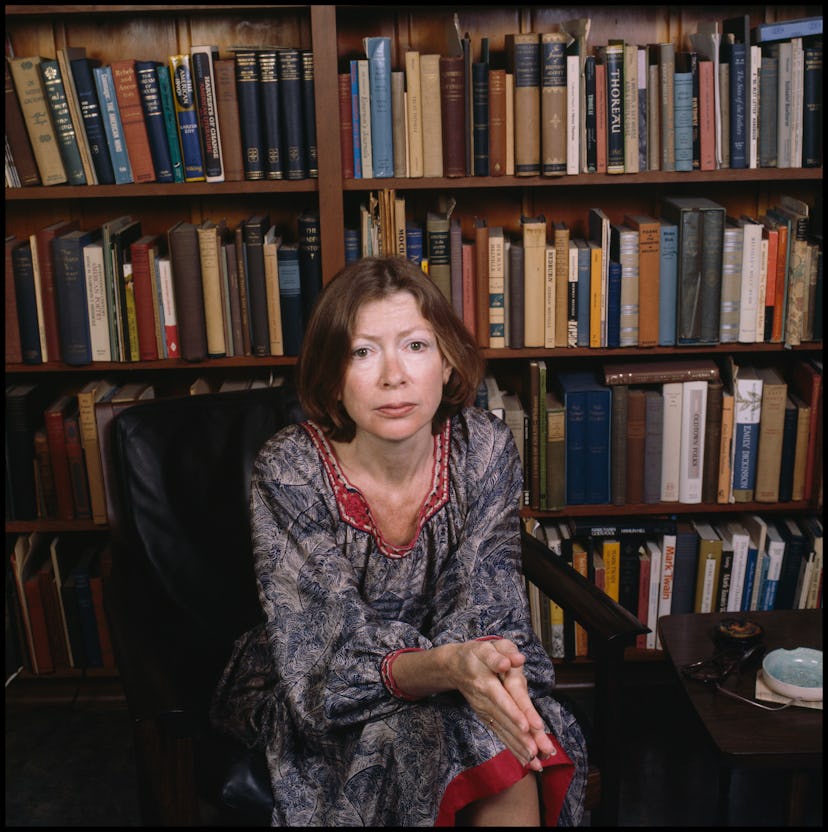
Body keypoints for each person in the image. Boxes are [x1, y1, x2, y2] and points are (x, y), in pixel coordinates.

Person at [210, 255, 587, 826]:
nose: (394, 376)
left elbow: (486, 600)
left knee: (506, 731)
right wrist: (450, 669)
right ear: (332, 377)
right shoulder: (289, 467)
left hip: (459, 667)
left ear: (447, 363)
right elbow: (325, 658)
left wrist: (484, 669)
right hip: (321, 684)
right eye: (363, 352)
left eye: (415, 345)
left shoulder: (483, 446)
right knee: (439, 731)